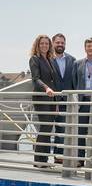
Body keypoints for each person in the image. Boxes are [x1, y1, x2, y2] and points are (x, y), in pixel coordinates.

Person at [29, 35, 59, 167]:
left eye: (47, 43)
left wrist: (56, 102)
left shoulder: (50, 59)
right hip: (41, 96)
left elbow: (54, 82)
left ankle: (44, 160)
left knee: (49, 127)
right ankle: (38, 160)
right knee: (45, 126)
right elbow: (36, 78)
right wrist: (46, 88)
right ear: (37, 45)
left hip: (51, 98)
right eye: (42, 43)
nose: (44, 46)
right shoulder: (34, 59)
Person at [51, 33, 76, 163]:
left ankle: (59, 156)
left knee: (63, 128)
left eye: (62, 43)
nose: (60, 45)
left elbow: (75, 81)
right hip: (51, 100)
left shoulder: (72, 60)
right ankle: (41, 157)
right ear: (53, 43)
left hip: (67, 100)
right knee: (47, 128)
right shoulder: (47, 59)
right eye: (58, 42)